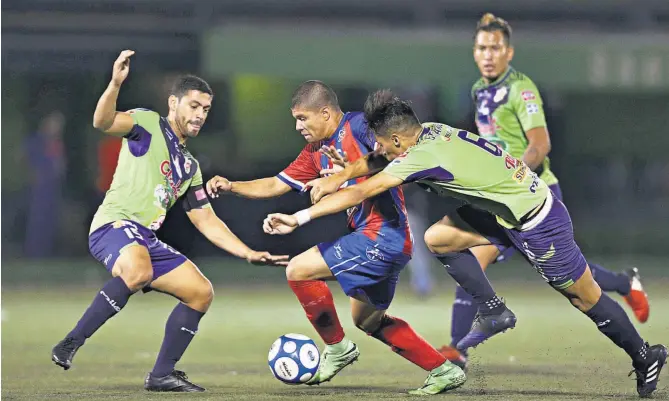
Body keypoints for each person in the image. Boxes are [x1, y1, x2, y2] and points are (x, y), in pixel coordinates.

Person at [264, 89, 667, 398]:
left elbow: (365, 187)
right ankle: (492, 309)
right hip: (502, 209)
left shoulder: (417, 158)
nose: (377, 149)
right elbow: (373, 164)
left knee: (584, 297)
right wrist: (334, 178)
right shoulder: (428, 133)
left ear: (398, 141)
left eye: (381, 143)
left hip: (537, 220)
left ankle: (645, 355)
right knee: (438, 238)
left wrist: (299, 217)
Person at [206, 80, 466, 395]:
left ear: (326, 113)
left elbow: (392, 152)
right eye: (295, 119)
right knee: (368, 321)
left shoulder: (358, 126)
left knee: (298, 270)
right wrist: (232, 185)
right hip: (384, 241)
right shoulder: (315, 152)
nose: (297, 126)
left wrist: (347, 173)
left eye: (303, 118)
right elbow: (276, 184)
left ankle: (337, 348)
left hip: (381, 236)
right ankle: (443, 370)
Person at [50, 50, 288, 392]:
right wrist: (115, 83)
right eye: (194, 106)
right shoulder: (148, 124)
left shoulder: (190, 166)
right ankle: (72, 341)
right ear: (173, 103)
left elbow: (206, 219)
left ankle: (162, 374)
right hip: (113, 225)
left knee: (200, 292)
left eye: (206, 109)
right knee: (138, 270)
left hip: (144, 239)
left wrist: (248, 252)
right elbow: (102, 122)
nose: (200, 114)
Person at [435, 13, 650, 365]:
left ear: (509, 52)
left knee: (569, 277)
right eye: (481, 47)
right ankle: (456, 352)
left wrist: (511, 179)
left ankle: (625, 286)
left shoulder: (521, 88)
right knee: (471, 265)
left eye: (495, 48)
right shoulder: (479, 90)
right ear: (474, 52)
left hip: (536, 197)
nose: (488, 54)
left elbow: (540, 145)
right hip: (501, 201)